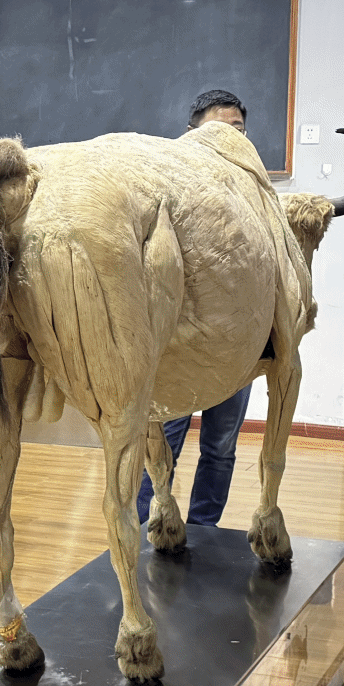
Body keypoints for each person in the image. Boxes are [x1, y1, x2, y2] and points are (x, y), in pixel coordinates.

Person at [135, 88, 254, 529]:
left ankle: (204, 533)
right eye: (217, 131)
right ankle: (145, 531)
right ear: (190, 135)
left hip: (237, 347)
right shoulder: (162, 193)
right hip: (178, 348)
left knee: (221, 447)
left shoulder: (253, 198)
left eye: (238, 131)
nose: (229, 141)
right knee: (159, 445)